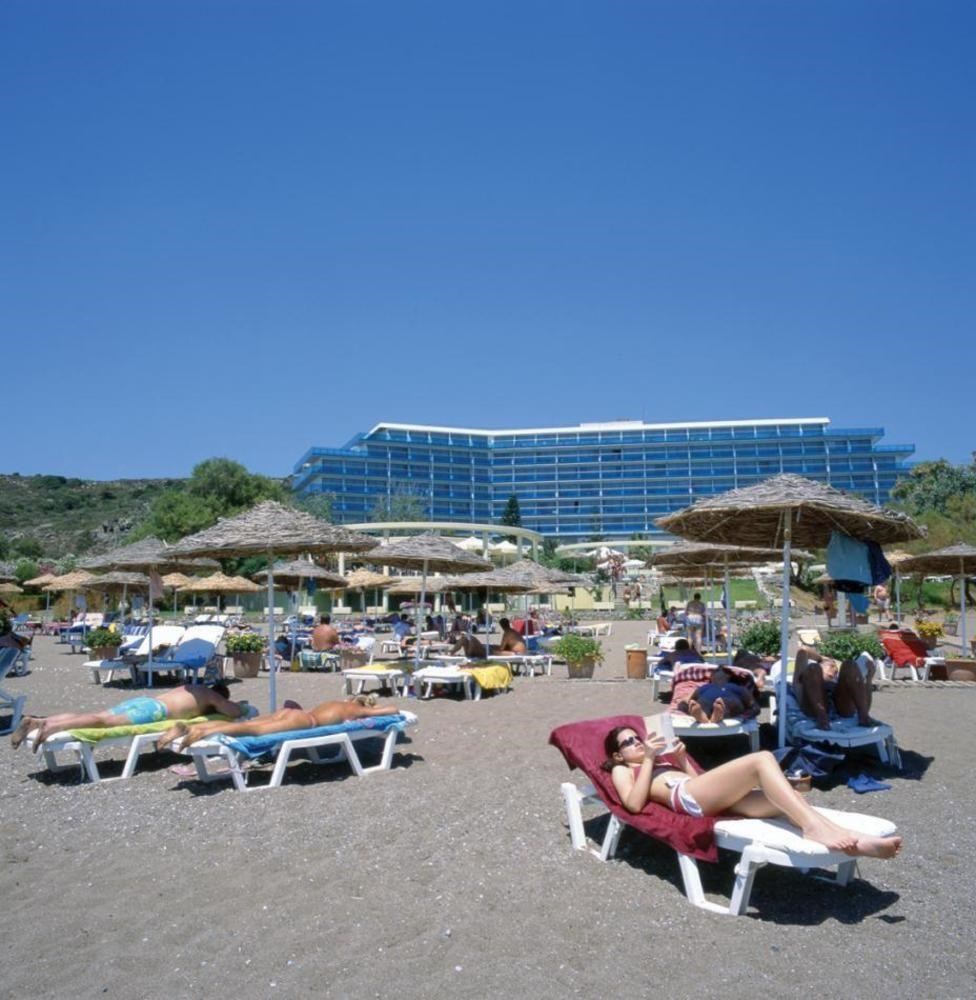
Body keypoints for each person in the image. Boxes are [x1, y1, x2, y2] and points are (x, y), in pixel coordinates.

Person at [602, 723, 901, 859]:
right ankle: (813, 829)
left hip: (700, 796)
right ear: (617, 756)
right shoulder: (624, 770)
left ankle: (858, 842)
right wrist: (651, 759)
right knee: (761, 759)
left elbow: (700, 782)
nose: (637, 743)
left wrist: (680, 760)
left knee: (788, 798)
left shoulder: (661, 760)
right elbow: (632, 804)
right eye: (628, 743)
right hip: (688, 799)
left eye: (636, 738)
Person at [11, 683, 244, 751]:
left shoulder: (191, 687)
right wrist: (240, 707)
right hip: (155, 712)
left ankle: (41, 720)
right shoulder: (211, 695)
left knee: (97, 715)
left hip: (145, 702)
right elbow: (233, 712)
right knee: (104, 723)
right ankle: (50, 727)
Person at [157, 694, 398, 750]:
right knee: (250, 728)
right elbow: (394, 710)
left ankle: (188, 727)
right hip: (305, 721)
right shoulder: (354, 709)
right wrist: (372, 709)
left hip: (291, 712)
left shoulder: (335, 702)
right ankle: (197, 730)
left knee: (255, 724)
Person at [792, 645, 875, 730]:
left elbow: (866, 705)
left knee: (849, 665)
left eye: (836, 670)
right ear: (821, 666)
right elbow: (803, 650)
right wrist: (822, 658)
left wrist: (869, 680)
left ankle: (863, 718)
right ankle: (822, 716)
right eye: (831, 666)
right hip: (815, 706)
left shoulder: (837, 684)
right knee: (813, 668)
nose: (835, 670)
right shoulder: (809, 673)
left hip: (840, 705)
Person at [679, 666, 756, 723]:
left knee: (702, 705)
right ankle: (715, 715)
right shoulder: (737, 687)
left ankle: (703, 716)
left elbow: (685, 702)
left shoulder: (705, 687)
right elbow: (753, 706)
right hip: (728, 700)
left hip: (708, 699)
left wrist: (685, 706)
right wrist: (748, 713)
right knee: (725, 705)